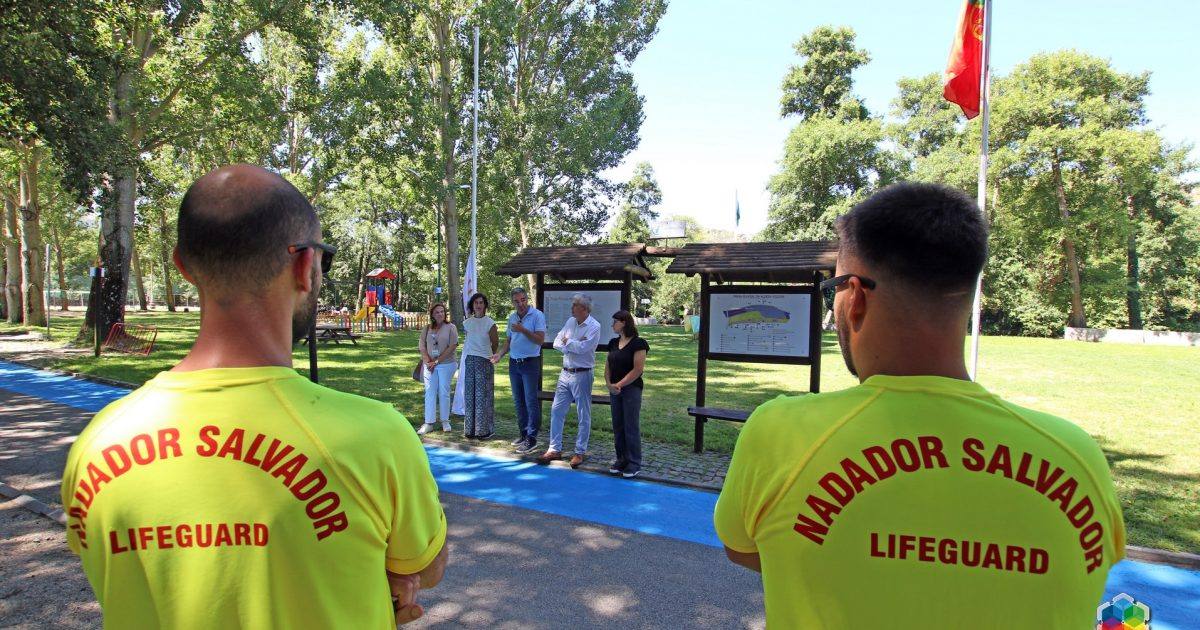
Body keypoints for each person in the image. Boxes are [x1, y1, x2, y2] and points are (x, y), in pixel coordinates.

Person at [713, 182, 1125, 628]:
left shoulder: (780, 434)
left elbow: (746, 550)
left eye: (834, 287)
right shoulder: (1077, 457)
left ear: (855, 298)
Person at [60, 164, 447, 628]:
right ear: (306, 266)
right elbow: (424, 565)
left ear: (182, 266)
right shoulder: (376, 437)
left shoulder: (97, 444)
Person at [538, 293, 601, 468]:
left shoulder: (594, 326)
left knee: (583, 414)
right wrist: (571, 343)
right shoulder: (570, 322)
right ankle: (554, 449)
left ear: (585, 308)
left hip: (583, 374)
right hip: (564, 373)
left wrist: (569, 342)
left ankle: (580, 452)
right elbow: (557, 342)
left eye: (575, 305)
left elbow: (584, 348)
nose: (572, 308)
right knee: (557, 410)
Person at [491, 287, 547, 454]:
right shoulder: (512, 317)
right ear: (512, 302)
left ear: (526, 299)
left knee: (531, 401)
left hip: (530, 363)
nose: (520, 303)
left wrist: (523, 330)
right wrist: (499, 355)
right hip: (514, 363)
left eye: (523, 300)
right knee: (518, 401)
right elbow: (509, 340)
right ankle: (523, 434)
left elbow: (540, 340)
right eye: (516, 301)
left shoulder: (537, 315)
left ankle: (532, 438)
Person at [605, 310, 649, 479]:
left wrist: (620, 384)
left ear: (623, 322)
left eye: (614, 321)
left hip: (631, 389)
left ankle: (634, 462)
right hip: (615, 389)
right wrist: (609, 384)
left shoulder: (639, 344)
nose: (612, 325)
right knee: (618, 425)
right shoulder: (613, 343)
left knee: (630, 425)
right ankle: (621, 459)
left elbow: (638, 369)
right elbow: (608, 365)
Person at [462, 292, 499, 439]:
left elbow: (495, 343)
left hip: (484, 361)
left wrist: (490, 356)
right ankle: (470, 429)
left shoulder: (490, 323)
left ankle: (483, 430)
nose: (478, 305)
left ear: (485, 305)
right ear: (472, 305)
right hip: (470, 360)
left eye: (481, 303)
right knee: (470, 395)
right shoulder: (467, 323)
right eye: (476, 302)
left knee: (483, 396)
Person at [418, 302, 458, 434]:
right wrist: (428, 361)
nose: (440, 314)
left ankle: (445, 421)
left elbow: (452, 346)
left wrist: (437, 361)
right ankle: (428, 422)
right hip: (429, 365)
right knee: (429, 392)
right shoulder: (427, 328)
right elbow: (422, 346)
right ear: (432, 315)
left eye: (442, 311)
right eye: (437, 312)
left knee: (444, 392)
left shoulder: (451, 327)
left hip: (446, 364)